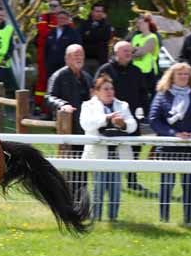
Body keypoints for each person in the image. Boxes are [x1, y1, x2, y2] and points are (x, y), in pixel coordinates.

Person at [149, 62, 191, 224]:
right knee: (167, 185)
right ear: (172, 76)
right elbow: (154, 120)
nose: (183, 77)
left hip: (190, 148)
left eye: (186, 74)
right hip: (168, 147)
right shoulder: (162, 95)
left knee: (189, 186)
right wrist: (174, 134)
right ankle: (164, 219)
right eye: (180, 74)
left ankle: (188, 219)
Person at [80, 75, 137, 221]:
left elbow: (133, 125)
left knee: (116, 191)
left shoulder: (122, 105)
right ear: (97, 91)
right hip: (98, 156)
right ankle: (96, 219)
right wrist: (106, 118)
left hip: (117, 156)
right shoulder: (88, 105)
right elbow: (86, 124)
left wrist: (122, 124)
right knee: (98, 189)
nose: (110, 91)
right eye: (105, 89)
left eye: (111, 88)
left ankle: (113, 219)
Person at [96, 41, 150, 191]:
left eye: (130, 51)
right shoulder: (105, 70)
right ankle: (109, 180)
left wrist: (144, 112)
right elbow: (96, 91)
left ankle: (132, 180)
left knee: (135, 149)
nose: (129, 53)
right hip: (110, 117)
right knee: (111, 150)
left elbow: (143, 93)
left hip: (131, 118)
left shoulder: (136, 71)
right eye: (125, 51)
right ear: (116, 53)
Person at [45, 44, 93, 202]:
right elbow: (48, 97)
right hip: (67, 130)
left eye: (81, 55)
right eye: (75, 55)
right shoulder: (59, 76)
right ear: (67, 58)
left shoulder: (87, 77)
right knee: (69, 167)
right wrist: (62, 105)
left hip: (84, 130)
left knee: (82, 166)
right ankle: (65, 199)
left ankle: (80, 199)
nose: (79, 57)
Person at [33, 0, 63, 114]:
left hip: (58, 56)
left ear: (60, 7)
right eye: (50, 5)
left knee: (56, 81)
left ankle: (52, 108)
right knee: (42, 80)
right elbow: (43, 32)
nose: (52, 8)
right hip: (43, 55)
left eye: (55, 6)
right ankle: (39, 105)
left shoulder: (64, 18)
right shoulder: (43, 18)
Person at [45, 10, 82, 79]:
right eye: (59, 18)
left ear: (68, 20)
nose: (61, 20)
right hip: (51, 65)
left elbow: (76, 48)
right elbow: (47, 48)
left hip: (65, 65)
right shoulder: (52, 32)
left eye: (64, 18)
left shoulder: (73, 33)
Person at [79, 3, 114, 76]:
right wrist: (94, 35)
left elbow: (105, 37)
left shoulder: (106, 25)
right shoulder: (84, 24)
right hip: (86, 59)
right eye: (97, 11)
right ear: (92, 12)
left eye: (101, 11)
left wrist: (90, 34)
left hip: (100, 60)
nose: (99, 13)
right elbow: (81, 37)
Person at [130, 14, 159, 98]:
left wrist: (135, 50)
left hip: (148, 71)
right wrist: (137, 50)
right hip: (136, 70)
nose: (138, 25)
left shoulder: (152, 37)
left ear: (147, 23)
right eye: (138, 23)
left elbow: (142, 53)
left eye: (141, 23)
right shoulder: (136, 37)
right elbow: (129, 51)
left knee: (148, 96)